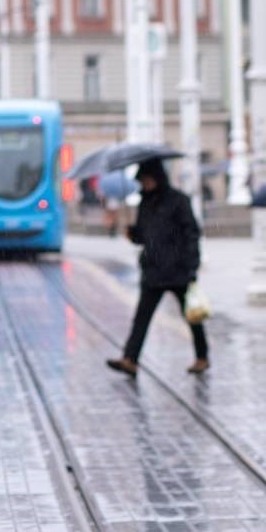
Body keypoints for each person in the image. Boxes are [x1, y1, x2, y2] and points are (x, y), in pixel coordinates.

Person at [106, 158, 209, 377]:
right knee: (142, 317)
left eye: (148, 179)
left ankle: (202, 356)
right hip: (153, 270)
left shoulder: (178, 200)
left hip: (178, 269)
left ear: (158, 177)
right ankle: (130, 359)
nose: (145, 183)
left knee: (192, 315)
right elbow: (144, 236)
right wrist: (133, 234)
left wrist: (192, 265)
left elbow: (191, 233)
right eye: (142, 180)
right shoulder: (145, 203)